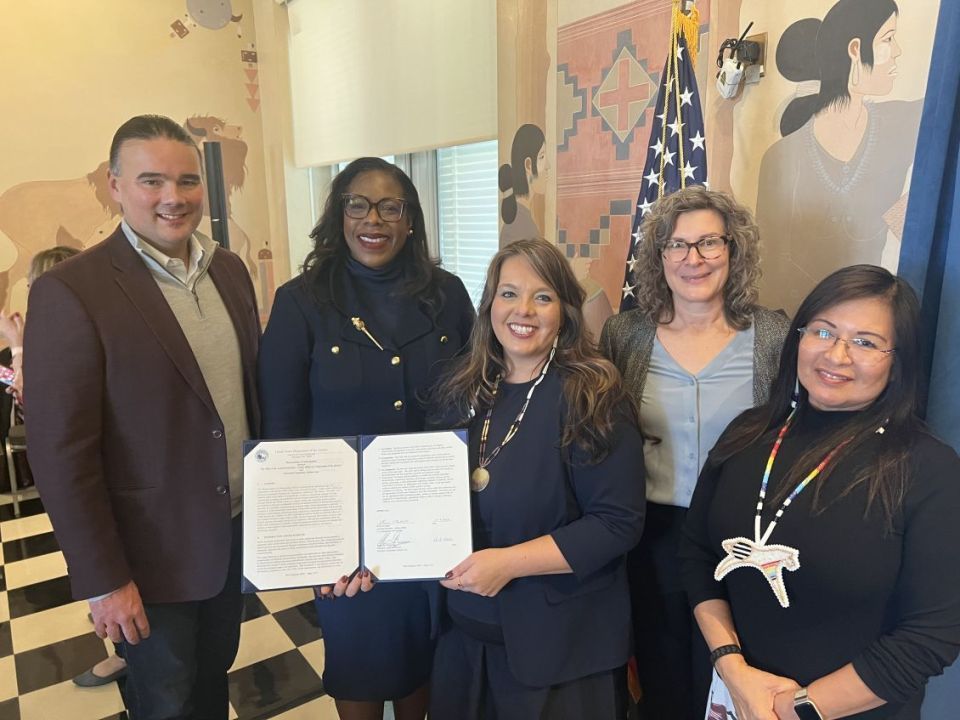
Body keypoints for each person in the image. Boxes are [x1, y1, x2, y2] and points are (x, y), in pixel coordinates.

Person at [24, 114, 260, 720]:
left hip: (229, 537)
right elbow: (61, 454)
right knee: (165, 700)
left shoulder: (229, 270)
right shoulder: (73, 290)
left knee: (212, 681)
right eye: (152, 180)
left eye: (186, 181)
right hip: (147, 557)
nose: (173, 198)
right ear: (115, 184)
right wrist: (104, 579)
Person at [681, 265, 960, 720]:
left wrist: (795, 710)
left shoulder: (928, 468)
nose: (838, 355)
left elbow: (931, 635)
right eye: (824, 332)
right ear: (798, 337)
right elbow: (697, 556)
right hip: (732, 698)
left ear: (898, 362)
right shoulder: (746, 434)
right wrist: (731, 667)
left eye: (866, 342)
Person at [258, 157, 475, 720]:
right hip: (343, 535)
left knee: (424, 655)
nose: (372, 219)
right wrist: (312, 547)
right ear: (339, 214)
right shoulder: (301, 301)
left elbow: (471, 399)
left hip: (430, 521)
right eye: (358, 204)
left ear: (410, 221)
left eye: (390, 207)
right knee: (359, 661)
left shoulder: (448, 295)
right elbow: (282, 435)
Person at [428, 238, 645, 719]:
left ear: (565, 313)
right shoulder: (461, 391)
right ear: (488, 306)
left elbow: (616, 523)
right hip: (462, 643)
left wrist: (507, 564)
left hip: (560, 653)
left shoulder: (594, 396)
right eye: (508, 294)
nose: (522, 310)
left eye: (542, 297)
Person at [599, 186, 790, 720]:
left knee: (732, 673)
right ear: (659, 258)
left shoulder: (773, 335)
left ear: (734, 250)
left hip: (739, 534)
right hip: (651, 535)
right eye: (677, 246)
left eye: (708, 243)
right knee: (660, 675)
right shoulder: (626, 335)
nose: (693, 259)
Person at [756, 0, 919, 314]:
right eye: (887, 39)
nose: (897, 51)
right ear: (855, 49)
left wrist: (907, 213)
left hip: (879, 323)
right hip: (801, 328)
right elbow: (769, 269)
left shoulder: (903, 121)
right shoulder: (780, 158)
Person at [499, 124, 549, 246]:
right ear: (528, 165)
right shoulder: (519, 227)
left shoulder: (522, 219)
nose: (548, 166)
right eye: (542, 157)